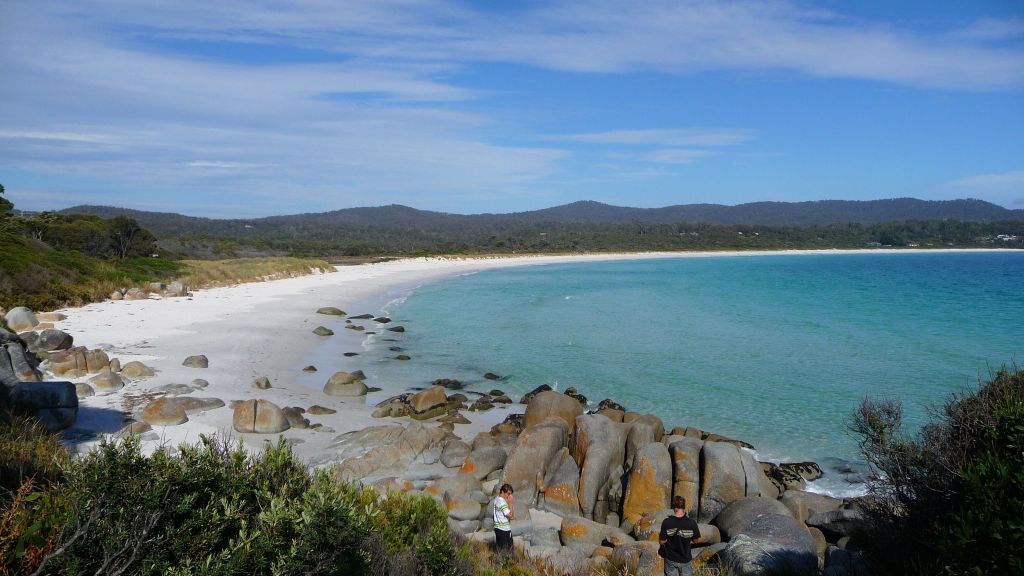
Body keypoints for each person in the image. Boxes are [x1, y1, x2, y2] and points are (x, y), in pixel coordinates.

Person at [659, 495, 701, 576]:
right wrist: (689, 541)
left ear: (674, 508)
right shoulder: (692, 523)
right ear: (684, 507)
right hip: (686, 559)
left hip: (670, 558)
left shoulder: (666, 522)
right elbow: (696, 540)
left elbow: (661, 542)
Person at [492, 483, 515, 552]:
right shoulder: (502, 502)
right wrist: (510, 503)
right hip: (504, 530)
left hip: (498, 528)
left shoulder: (497, 499)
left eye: (510, 494)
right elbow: (511, 516)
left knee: (499, 550)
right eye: (508, 494)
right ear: (502, 492)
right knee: (508, 551)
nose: (509, 496)